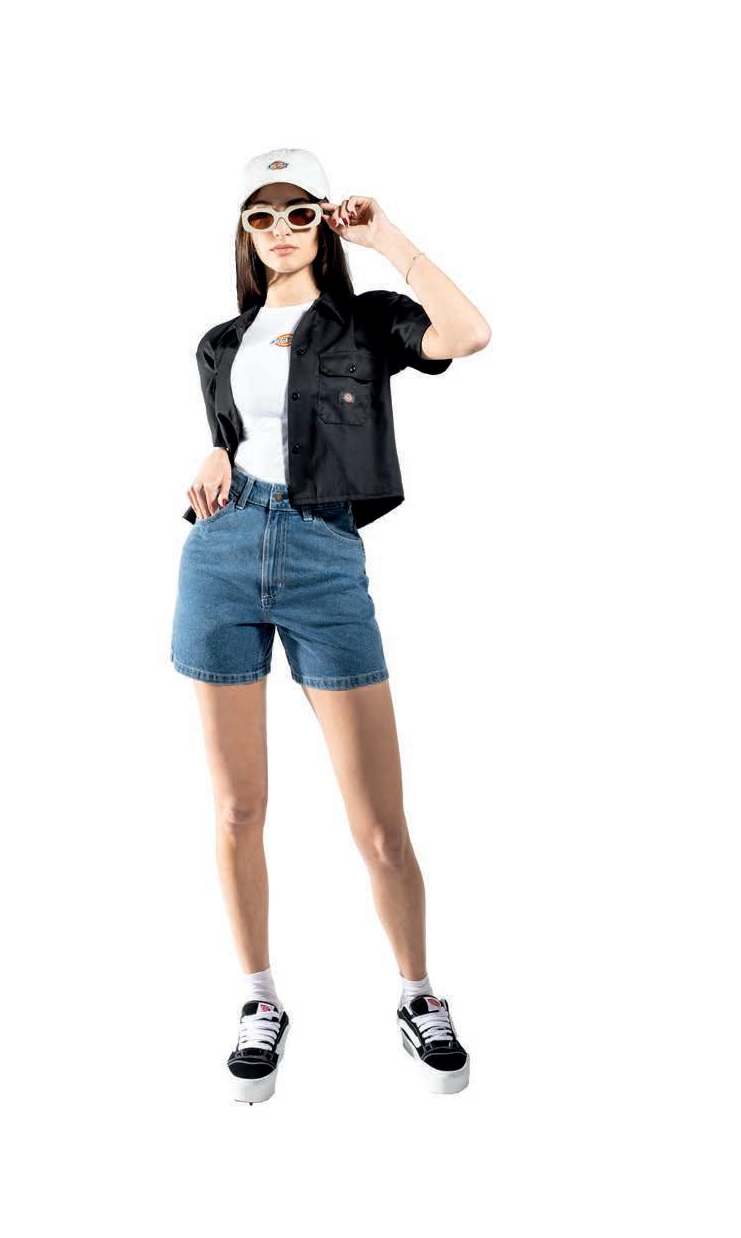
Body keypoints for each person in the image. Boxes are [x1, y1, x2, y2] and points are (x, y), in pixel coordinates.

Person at [170, 148, 491, 1102]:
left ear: (322, 221)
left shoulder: (369, 321)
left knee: (381, 824)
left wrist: (386, 236)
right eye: (261, 216)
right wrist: (213, 451)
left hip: (324, 556)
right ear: (245, 232)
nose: (280, 230)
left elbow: (469, 333)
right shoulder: (218, 342)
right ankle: (259, 998)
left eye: (298, 212)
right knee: (238, 809)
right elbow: (242, 435)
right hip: (221, 555)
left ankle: (419, 993)